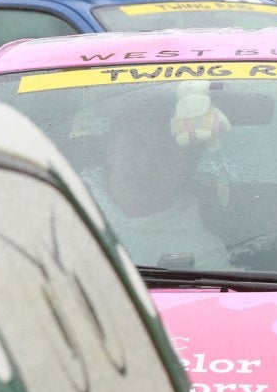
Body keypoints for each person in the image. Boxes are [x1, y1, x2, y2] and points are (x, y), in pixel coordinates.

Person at [83, 95, 229, 269]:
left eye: (165, 151)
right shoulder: (57, 203)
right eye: (135, 144)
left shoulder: (203, 253)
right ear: (110, 151)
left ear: (188, 166)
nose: (146, 164)